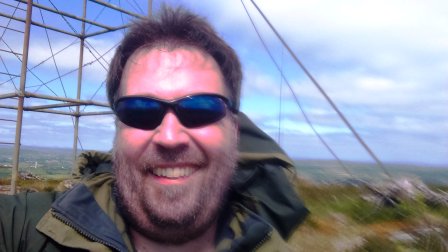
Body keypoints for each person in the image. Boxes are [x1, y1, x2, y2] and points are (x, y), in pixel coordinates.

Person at [0, 6, 308, 251]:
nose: (169, 137)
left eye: (201, 108)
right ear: (118, 129)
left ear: (236, 131)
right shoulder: (28, 229)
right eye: (140, 111)